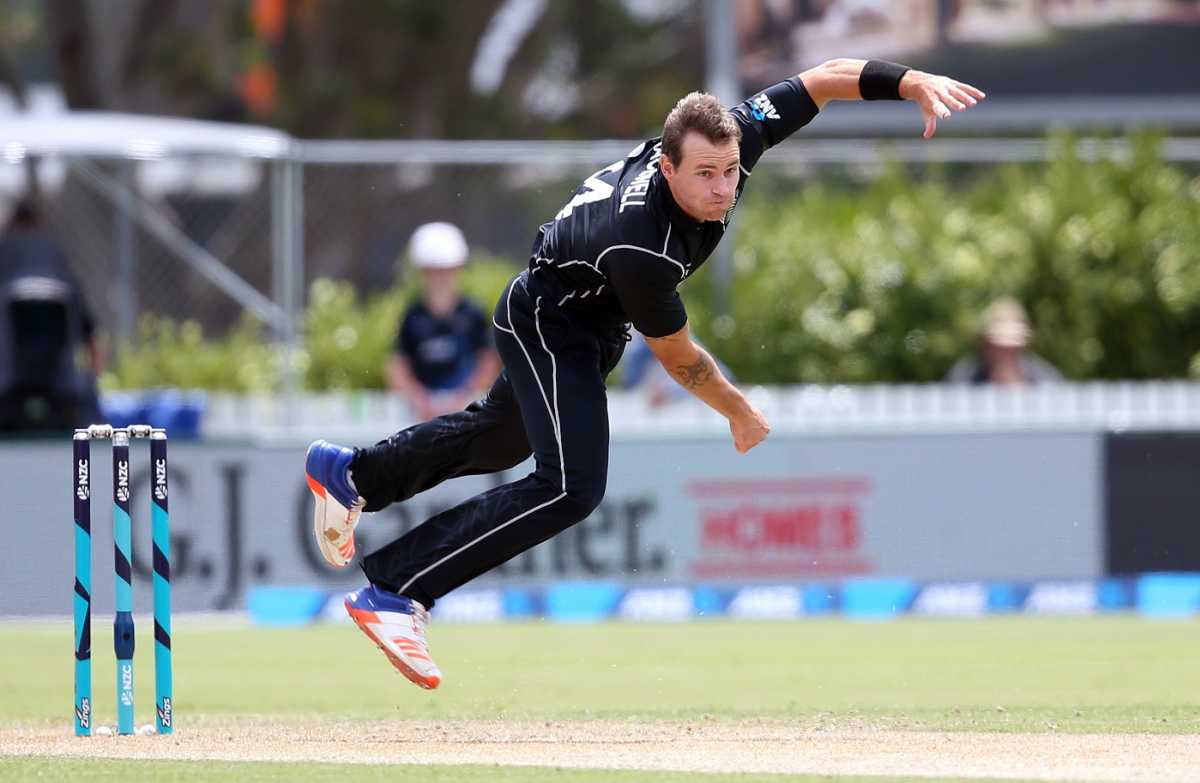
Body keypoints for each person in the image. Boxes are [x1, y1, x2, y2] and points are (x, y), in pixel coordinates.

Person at [305, 59, 985, 689]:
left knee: (502, 440)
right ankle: (398, 588)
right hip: (551, 320)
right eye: (704, 175)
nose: (723, 189)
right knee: (571, 486)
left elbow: (826, 78)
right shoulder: (642, 247)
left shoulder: (735, 139)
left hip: (580, 321)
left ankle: (353, 475)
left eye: (729, 170)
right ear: (666, 165)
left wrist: (909, 82)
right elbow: (681, 360)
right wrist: (739, 411)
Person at [0, 200, 103, 434]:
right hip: (63, 383)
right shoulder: (55, 253)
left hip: (10, 383)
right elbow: (90, 331)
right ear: (39, 224)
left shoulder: (7, 249)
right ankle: (95, 432)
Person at [386, 222, 500, 420]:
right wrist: (419, 399)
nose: (441, 277)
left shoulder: (473, 313)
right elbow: (397, 366)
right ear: (422, 272)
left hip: (468, 413)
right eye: (434, 270)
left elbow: (488, 361)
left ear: (458, 269)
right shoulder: (412, 316)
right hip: (422, 416)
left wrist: (465, 397)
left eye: (446, 269)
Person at [946, 297, 1062, 385]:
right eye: (998, 346)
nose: (1004, 353)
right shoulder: (964, 376)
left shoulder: (1043, 377)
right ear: (986, 344)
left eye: (1012, 347)